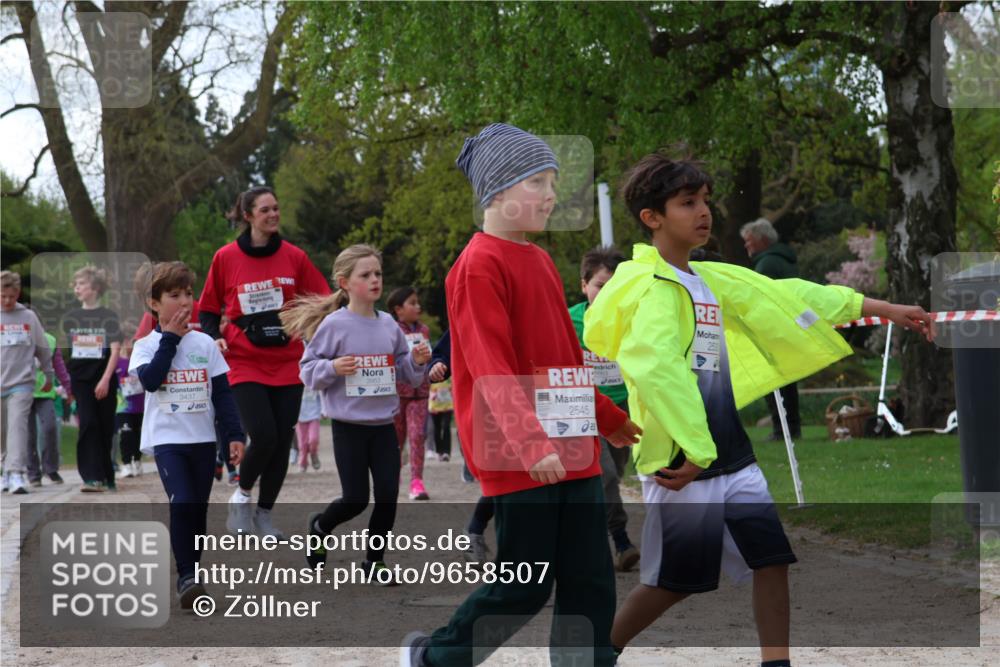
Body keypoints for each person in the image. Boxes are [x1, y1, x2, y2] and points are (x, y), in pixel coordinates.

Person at [584, 151, 935, 666]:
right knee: (672, 585)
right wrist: (699, 452)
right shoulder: (650, 291)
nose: (703, 211)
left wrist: (878, 310)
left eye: (705, 200)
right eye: (687, 203)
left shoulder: (707, 279)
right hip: (685, 465)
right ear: (652, 218)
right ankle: (597, 652)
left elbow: (784, 295)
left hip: (733, 459)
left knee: (772, 561)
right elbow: (658, 370)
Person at [400, 123, 641, 667]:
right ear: (498, 192)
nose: (552, 194)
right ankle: (434, 658)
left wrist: (604, 416)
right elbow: (489, 367)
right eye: (538, 181)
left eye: (554, 181)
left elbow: (564, 358)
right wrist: (531, 443)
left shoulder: (538, 261)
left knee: (590, 580)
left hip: (573, 447)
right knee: (524, 585)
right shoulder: (476, 266)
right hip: (517, 453)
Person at [285, 244, 430, 582]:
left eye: (377, 273)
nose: (375, 280)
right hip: (348, 426)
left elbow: (406, 374)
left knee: (388, 495)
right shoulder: (335, 325)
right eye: (365, 275)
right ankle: (320, 525)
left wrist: (418, 362)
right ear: (345, 282)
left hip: (383, 425)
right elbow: (307, 371)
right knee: (355, 498)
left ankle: (374, 563)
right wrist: (333, 366)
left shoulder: (390, 326)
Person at [199, 185, 331, 538]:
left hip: (288, 359)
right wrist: (215, 336)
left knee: (282, 435)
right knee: (263, 433)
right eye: (265, 210)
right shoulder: (225, 257)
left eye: (276, 208)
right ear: (247, 216)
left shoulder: (294, 257)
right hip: (244, 359)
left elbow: (321, 300)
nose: (273, 215)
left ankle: (265, 513)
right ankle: (241, 497)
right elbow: (208, 309)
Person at [131, 261, 245, 608]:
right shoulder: (147, 345)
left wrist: (235, 435)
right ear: (154, 303)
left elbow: (222, 392)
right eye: (174, 295)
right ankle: (186, 576)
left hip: (202, 440)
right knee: (182, 501)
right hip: (167, 439)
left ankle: (193, 573)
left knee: (197, 509)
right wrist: (169, 340)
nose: (185, 301)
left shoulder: (205, 344)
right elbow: (150, 380)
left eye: (189, 294)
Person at [569, 245, 640, 572]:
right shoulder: (569, 321)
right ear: (584, 285)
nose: (606, 292)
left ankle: (585, 538)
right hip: (584, 412)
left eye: (614, 286)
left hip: (623, 410)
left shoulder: (632, 321)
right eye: (600, 285)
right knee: (606, 475)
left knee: (613, 475)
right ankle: (621, 540)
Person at [62, 265, 122, 492]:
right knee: (88, 424)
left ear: (95, 288)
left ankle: (108, 474)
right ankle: (91, 477)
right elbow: (72, 352)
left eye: (81, 284)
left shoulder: (109, 316)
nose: (77, 288)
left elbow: (115, 350)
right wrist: (67, 384)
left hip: (104, 379)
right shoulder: (71, 317)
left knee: (106, 428)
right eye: (75, 285)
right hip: (81, 380)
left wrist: (106, 379)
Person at [740, 217, 801, 439]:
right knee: (788, 382)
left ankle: (781, 429)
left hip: (773, 332)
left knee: (774, 382)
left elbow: (760, 301)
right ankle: (792, 428)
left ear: (762, 240)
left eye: (749, 241)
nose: (746, 245)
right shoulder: (786, 260)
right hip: (789, 328)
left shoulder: (766, 265)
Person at [1, 271, 54, 495]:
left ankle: (16, 473)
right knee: (2, 431)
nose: (7, 301)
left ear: (18, 294)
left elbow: (42, 348)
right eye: (2, 296)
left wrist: (49, 374)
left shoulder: (28, 317)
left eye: (11, 297)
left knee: (17, 427)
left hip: (22, 382)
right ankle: (4, 469)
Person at [387, 286, 433, 500]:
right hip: (397, 394)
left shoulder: (424, 330)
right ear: (398, 309)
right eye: (412, 303)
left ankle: (417, 481)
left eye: (418, 302)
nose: (418, 306)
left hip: (420, 393)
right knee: (396, 440)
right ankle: (391, 481)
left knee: (417, 436)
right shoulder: (390, 329)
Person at [26, 329, 72, 486]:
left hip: (45, 393)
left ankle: (50, 469)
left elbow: (59, 367)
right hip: (22, 392)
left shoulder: (50, 340)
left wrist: (68, 387)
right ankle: (33, 473)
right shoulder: (15, 338)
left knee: (50, 428)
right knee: (28, 434)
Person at [115, 320, 144, 478]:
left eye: (133, 341)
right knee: (126, 434)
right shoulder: (116, 361)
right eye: (127, 341)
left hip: (140, 405)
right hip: (123, 406)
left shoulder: (140, 360)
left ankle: (137, 461)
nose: (130, 345)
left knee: (138, 435)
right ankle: (126, 463)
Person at [295, 386, 322, 473]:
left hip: (314, 415)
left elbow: (322, 396)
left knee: (314, 439)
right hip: (300, 417)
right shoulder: (296, 383)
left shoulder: (315, 381)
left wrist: (324, 410)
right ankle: (303, 462)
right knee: (302, 444)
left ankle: (314, 453)